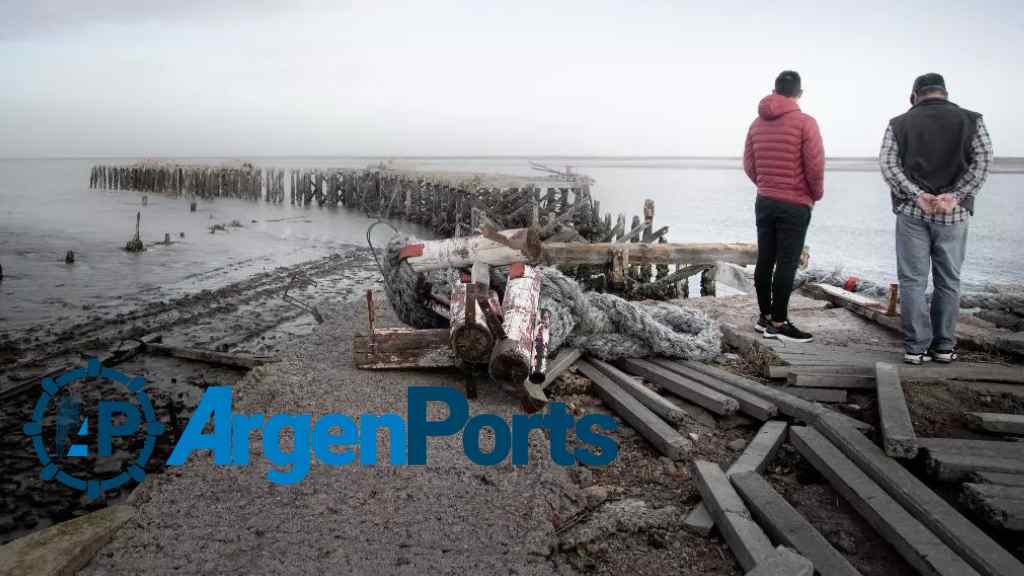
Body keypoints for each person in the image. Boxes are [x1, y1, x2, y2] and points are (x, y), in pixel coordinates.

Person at [879, 73, 992, 365]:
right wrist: (955, 196)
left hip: (912, 212)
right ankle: (943, 347)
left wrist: (917, 195)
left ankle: (915, 348)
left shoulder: (898, 123)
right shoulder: (972, 120)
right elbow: (983, 161)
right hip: (953, 214)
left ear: (915, 95)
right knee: (949, 281)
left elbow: (888, 165)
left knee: (913, 281)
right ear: (944, 93)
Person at [743, 70, 825, 343]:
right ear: (799, 94)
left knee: (766, 259)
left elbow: (749, 165)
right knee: (787, 263)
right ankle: (779, 323)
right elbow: (814, 166)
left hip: (764, 200)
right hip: (794, 203)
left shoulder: (756, 124)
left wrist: (766, 184)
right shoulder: (805, 123)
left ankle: (765, 317)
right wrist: (814, 194)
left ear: (775, 90)